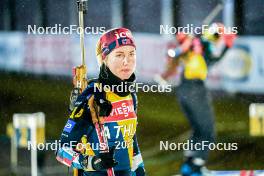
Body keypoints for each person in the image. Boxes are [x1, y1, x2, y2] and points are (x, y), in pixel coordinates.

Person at [56, 28, 145, 176]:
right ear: (104, 59)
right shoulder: (93, 97)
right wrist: (92, 162)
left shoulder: (131, 96)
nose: (126, 61)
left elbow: (131, 142)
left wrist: (140, 171)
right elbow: (62, 152)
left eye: (131, 54)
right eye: (119, 55)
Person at [158, 23, 236, 176]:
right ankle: (195, 167)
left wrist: (226, 44)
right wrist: (186, 44)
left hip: (192, 90)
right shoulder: (184, 51)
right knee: (207, 132)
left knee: (200, 130)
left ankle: (190, 165)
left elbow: (214, 52)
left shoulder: (201, 48)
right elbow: (172, 54)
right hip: (192, 91)